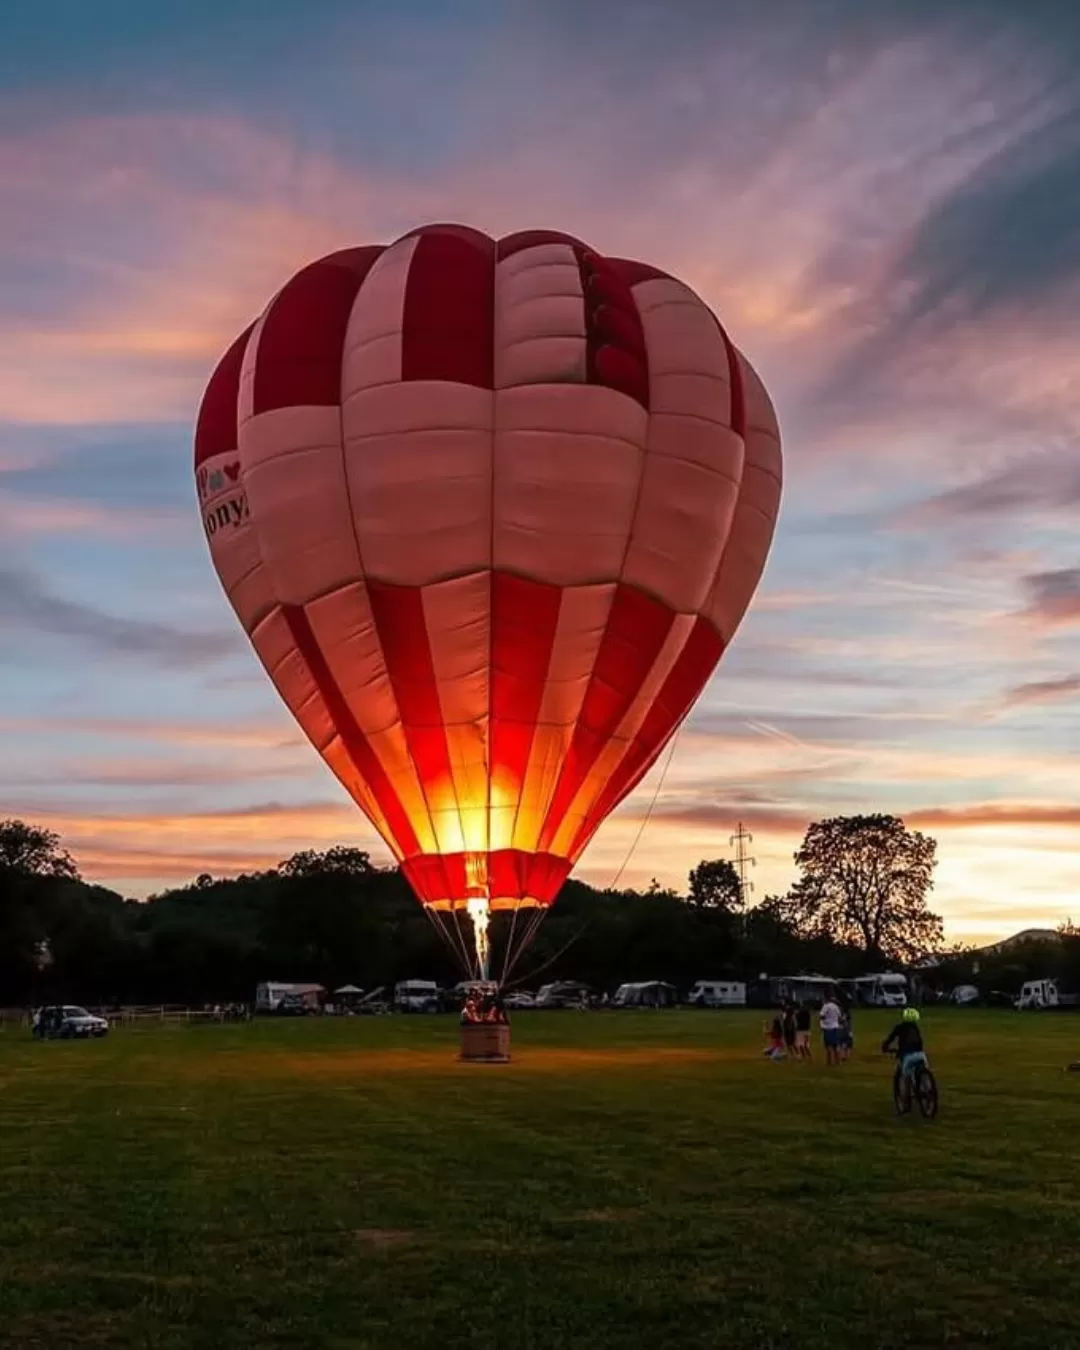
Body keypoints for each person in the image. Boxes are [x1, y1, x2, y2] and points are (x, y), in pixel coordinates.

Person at [882, 1006, 928, 1089]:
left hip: (908, 1056)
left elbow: (890, 1039)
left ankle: (905, 1098)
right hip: (921, 1055)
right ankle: (927, 1089)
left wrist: (885, 1047)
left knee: (906, 1077)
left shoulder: (899, 1028)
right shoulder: (916, 1028)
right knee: (923, 1072)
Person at [819, 990, 842, 1065]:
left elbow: (821, 1016)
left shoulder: (826, 1006)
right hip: (835, 1026)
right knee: (836, 1045)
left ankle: (829, 1062)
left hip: (828, 1028)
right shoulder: (835, 1006)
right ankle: (837, 1061)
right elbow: (839, 1017)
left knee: (828, 1045)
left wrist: (825, 1019)